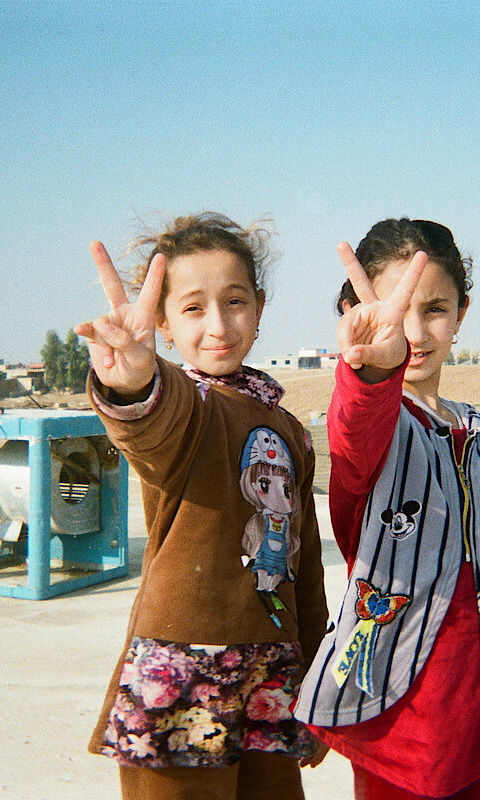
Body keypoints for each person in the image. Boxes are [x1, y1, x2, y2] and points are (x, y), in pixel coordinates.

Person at [294, 218, 480, 800]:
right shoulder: (377, 426)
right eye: (395, 312)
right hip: (399, 720)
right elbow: (354, 428)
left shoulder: (476, 432)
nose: (416, 332)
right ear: (359, 315)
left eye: (434, 309)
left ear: (462, 314)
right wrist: (374, 369)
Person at [74, 213, 329, 800]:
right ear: (161, 321)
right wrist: (134, 383)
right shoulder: (188, 407)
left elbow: (305, 567)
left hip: (271, 674)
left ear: (259, 308)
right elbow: (154, 423)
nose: (219, 324)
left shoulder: (287, 427)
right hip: (181, 675)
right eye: (192, 308)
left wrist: (315, 677)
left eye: (235, 301)